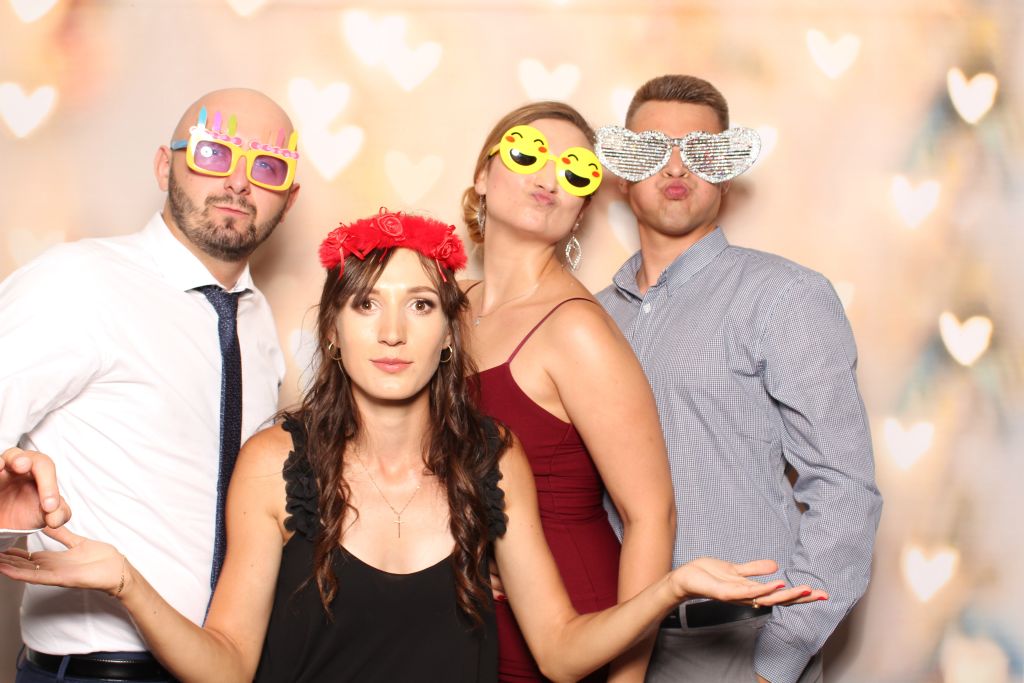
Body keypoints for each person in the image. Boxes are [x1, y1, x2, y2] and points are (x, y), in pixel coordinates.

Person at [0, 210, 822, 683]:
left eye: (421, 305)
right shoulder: (275, 463)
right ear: (334, 329)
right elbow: (226, 666)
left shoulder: (493, 458)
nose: (392, 331)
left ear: (448, 334)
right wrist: (126, 581)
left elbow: (562, 653)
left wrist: (668, 586)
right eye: (366, 305)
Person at [0, 87, 301, 682]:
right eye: (214, 153)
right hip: (97, 672)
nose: (239, 181)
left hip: (226, 665)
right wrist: (10, 520)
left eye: (267, 166)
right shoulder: (75, 282)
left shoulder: (260, 320)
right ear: (166, 165)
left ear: (288, 201)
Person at [594, 74, 882, 683]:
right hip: (612, 642)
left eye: (702, 151)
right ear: (622, 174)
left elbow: (844, 486)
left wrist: (777, 660)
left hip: (737, 646)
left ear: (726, 174)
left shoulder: (783, 294)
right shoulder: (591, 317)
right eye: (653, 149)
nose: (677, 167)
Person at [461, 103, 676, 682]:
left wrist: (626, 679)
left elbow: (651, 515)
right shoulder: (446, 306)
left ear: (582, 209)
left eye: (577, 170)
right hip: (469, 617)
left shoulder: (577, 329)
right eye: (528, 154)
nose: (550, 177)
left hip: (572, 619)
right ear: (482, 176)